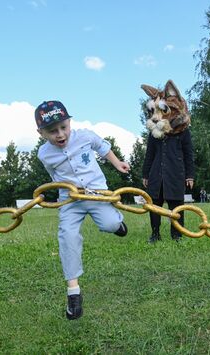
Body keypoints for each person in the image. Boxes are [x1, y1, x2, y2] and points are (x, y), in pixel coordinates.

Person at [35, 100, 130, 320]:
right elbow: (53, 176)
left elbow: (103, 147)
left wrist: (117, 164)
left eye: (63, 127)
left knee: (110, 224)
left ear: (70, 122)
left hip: (96, 193)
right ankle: (73, 292)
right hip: (70, 200)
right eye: (52, 131)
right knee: (67, 237)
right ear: (41, 133)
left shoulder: (85, 136)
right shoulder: (44, 154)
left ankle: (118, 224)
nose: (60, 134)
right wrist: (64, 187)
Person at [142, 128, 194, 243]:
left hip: (176, 173)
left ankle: (177, 236)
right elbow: (149, 153)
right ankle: (155, 234)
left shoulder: (183, 130)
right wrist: (145, 174)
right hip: (156, 173)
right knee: (154, 204)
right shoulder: (155, 131)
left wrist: (190, 175)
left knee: (177, 205)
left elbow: (188, 153)